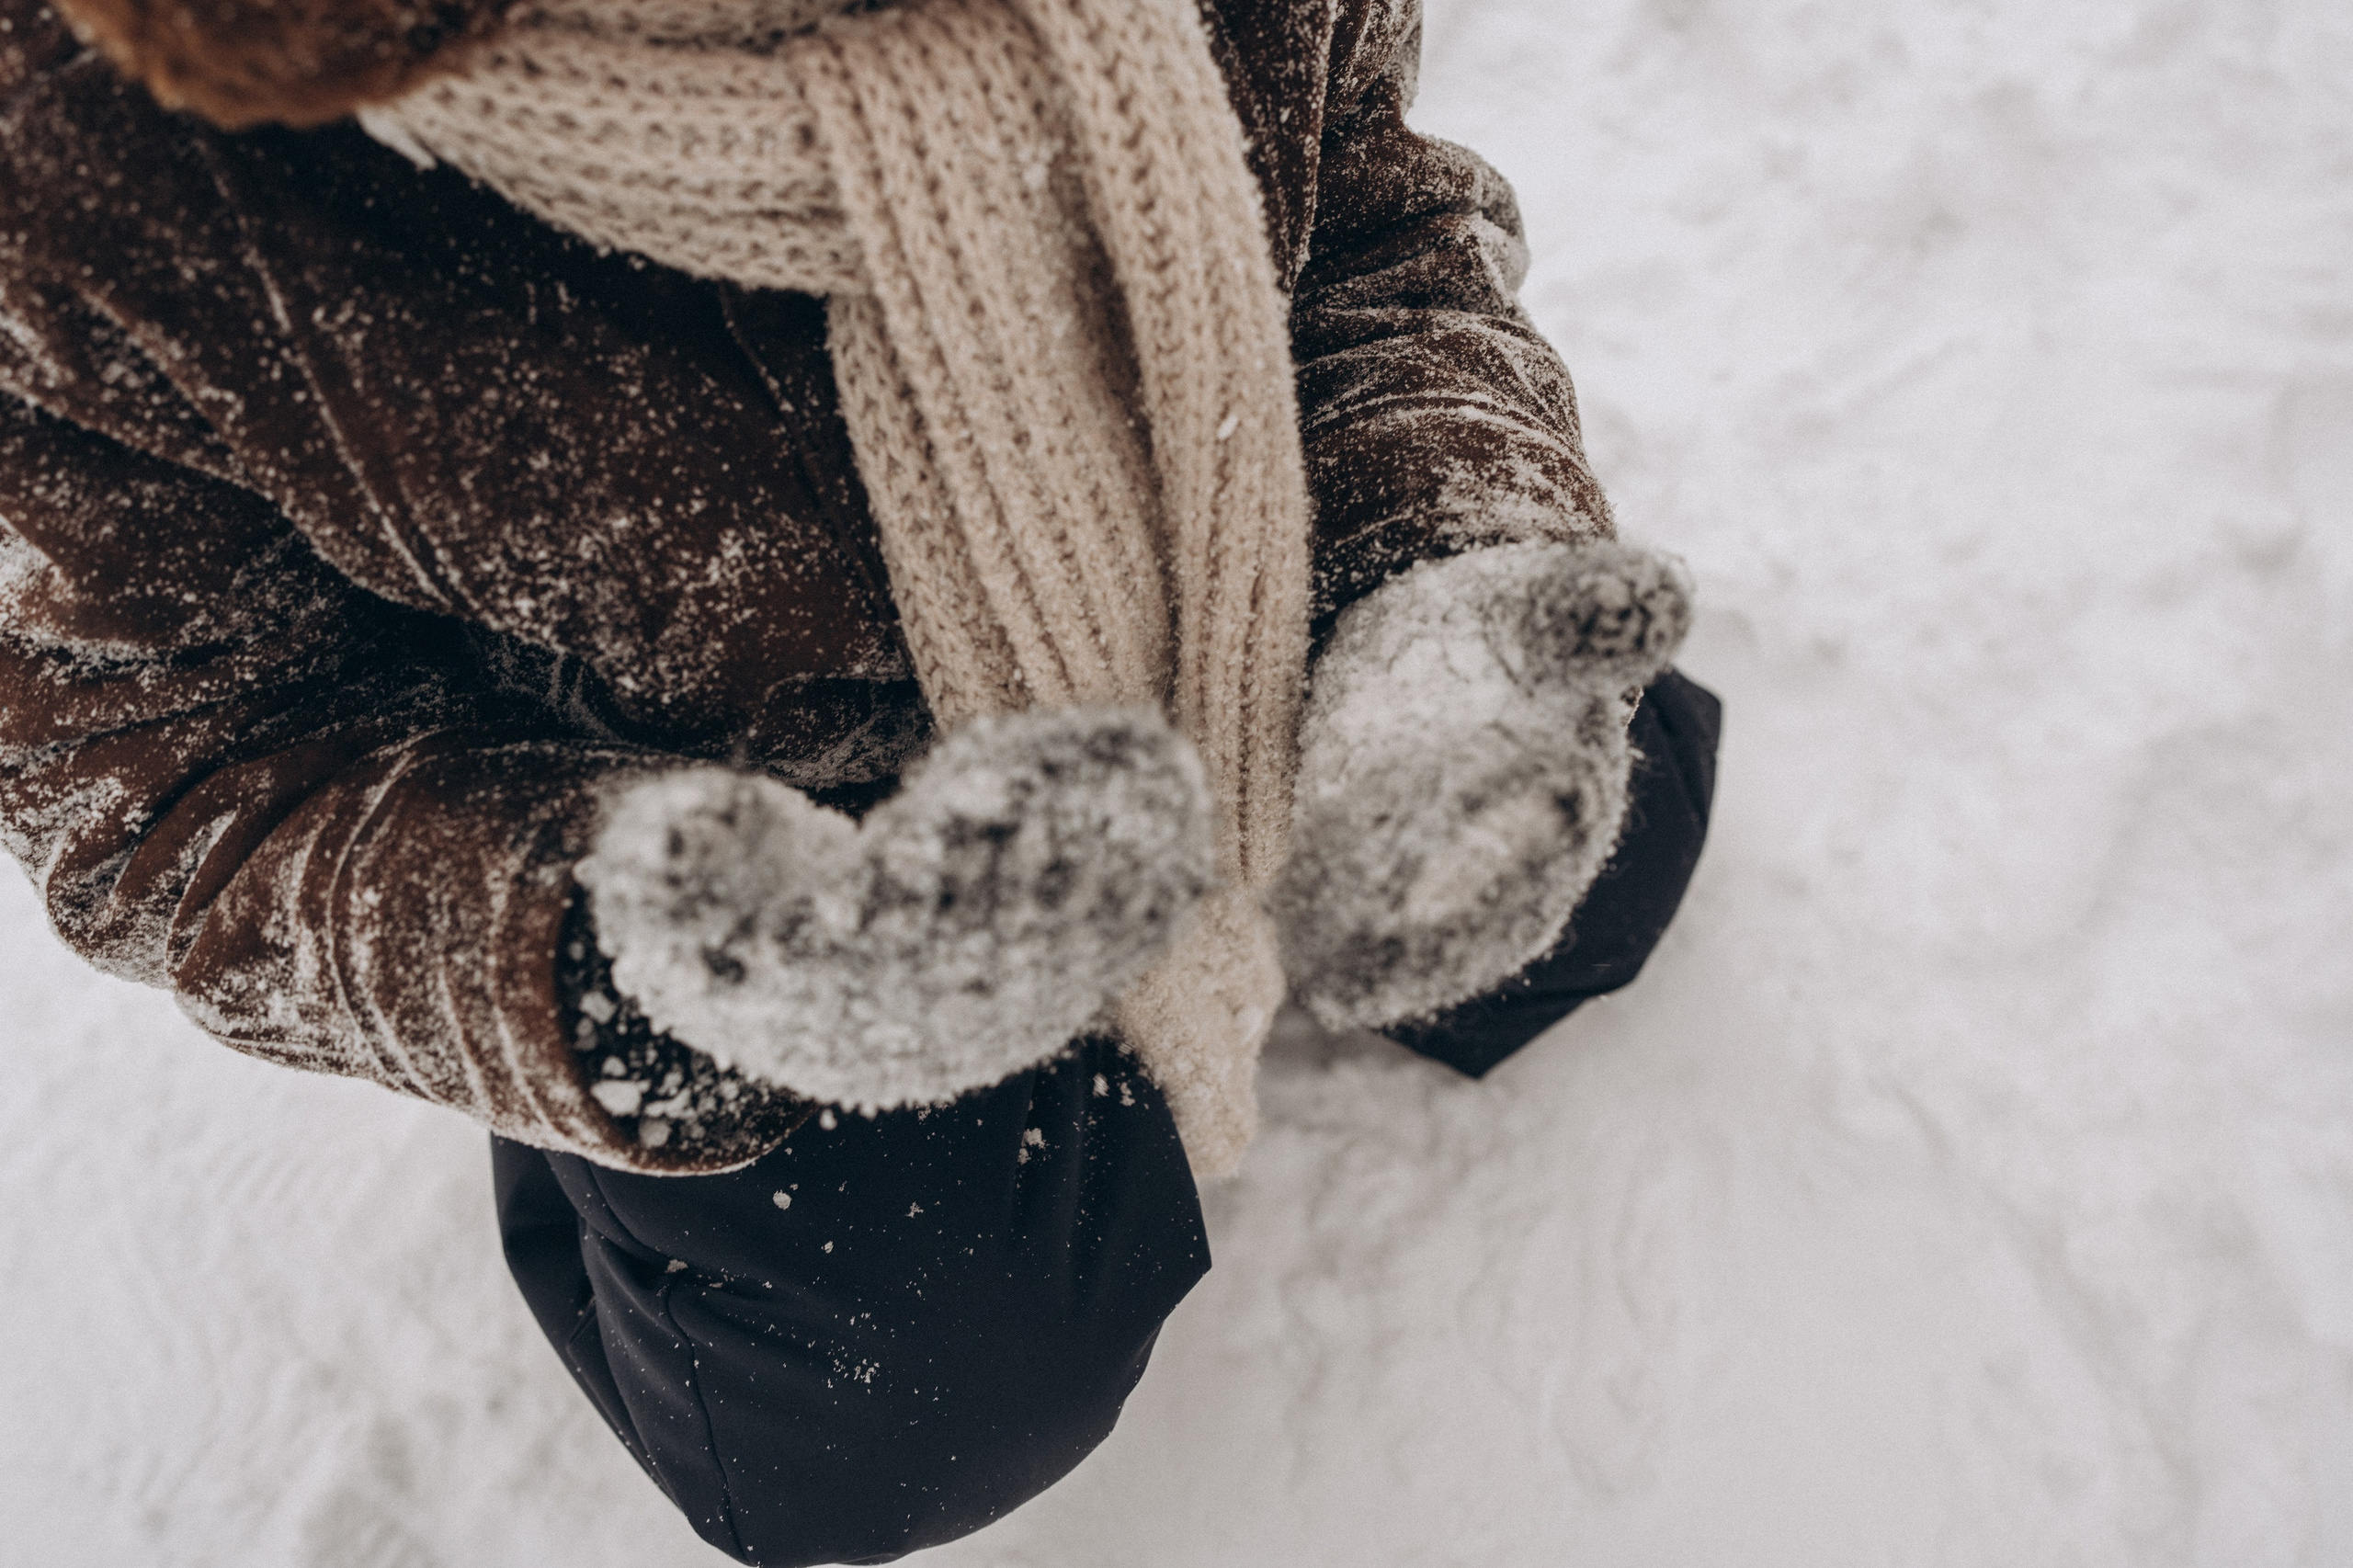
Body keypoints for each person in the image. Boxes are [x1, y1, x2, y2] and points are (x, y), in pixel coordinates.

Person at [0, 0, 1720, 1558]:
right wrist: (630, 971)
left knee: (1588, 841)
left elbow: (1360, 225)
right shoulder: (86, 164)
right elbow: (176, 775)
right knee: (913, 1391)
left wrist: (1447, 580)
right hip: (752, 853)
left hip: (1244, 571)